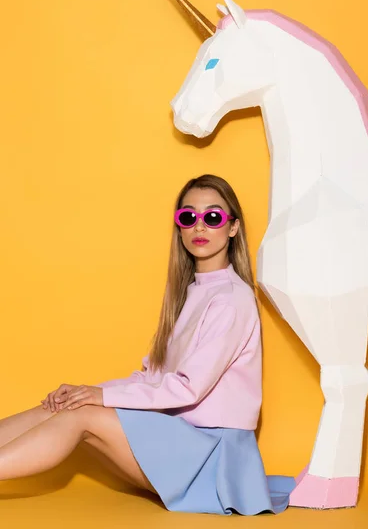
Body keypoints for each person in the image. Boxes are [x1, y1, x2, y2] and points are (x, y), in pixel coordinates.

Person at [0, 174, 295, 514]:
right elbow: (152, 377)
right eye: (189, 217)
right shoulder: (190, 293)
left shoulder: (231, 300)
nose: (199, 227)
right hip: (181, 441)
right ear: (180, 227)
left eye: (212, 217)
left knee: (76, 417)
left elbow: (188, 390)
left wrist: (99, 397)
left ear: (233, 228)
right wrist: (88, 390)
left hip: (211, 457)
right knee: (66, 405)